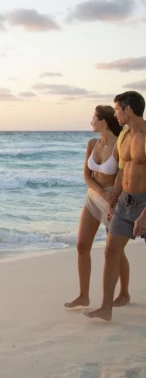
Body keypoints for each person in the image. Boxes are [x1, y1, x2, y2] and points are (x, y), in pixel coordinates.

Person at [86, 91, 146, 321]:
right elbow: (122, 171)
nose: (116, 114)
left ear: (128, 110)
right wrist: (115, 200)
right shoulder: (124, 136)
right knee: (111, 250)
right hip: (125, 201)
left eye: (118, 110)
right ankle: (106, 307)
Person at [64, 105, 129, 309]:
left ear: (103, 122)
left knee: (115, 251)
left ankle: (124, 292)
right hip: (94, 197)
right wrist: (100, 193)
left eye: (93, 118)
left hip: (114, 200)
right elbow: (86, 175)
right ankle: (84, 296)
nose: (91, 122)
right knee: (82, 245)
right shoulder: (92, 144)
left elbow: (124, 176)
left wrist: (113, 198)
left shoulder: (120, 144)